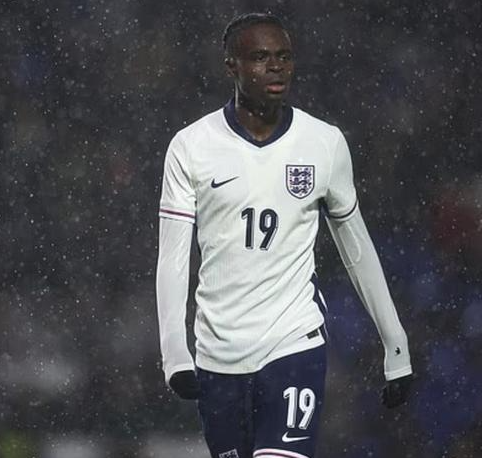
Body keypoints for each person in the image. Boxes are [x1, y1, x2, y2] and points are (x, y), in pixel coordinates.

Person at [156, 12, 413, 458]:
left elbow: (356, 248)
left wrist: (396, 343)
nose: (276, 67)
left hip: (293, 343)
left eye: (284, 56)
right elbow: (173, 258)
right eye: (260, 57)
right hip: (218, 354)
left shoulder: (324, 143)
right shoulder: (192, 146)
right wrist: (175, 352)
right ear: (232, 66)